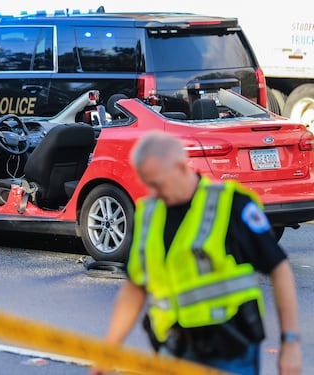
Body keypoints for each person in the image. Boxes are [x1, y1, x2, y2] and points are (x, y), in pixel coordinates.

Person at [90, 131, 302, 375]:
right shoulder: (148, 214)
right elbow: (135, 288)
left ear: (181, 167)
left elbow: (279, 268)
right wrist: (108, 351)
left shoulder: (231, 205)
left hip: (229, 351)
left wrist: (291, 343)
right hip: (173, 351)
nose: (154, 192)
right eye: (148, 185)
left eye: (158, 183)